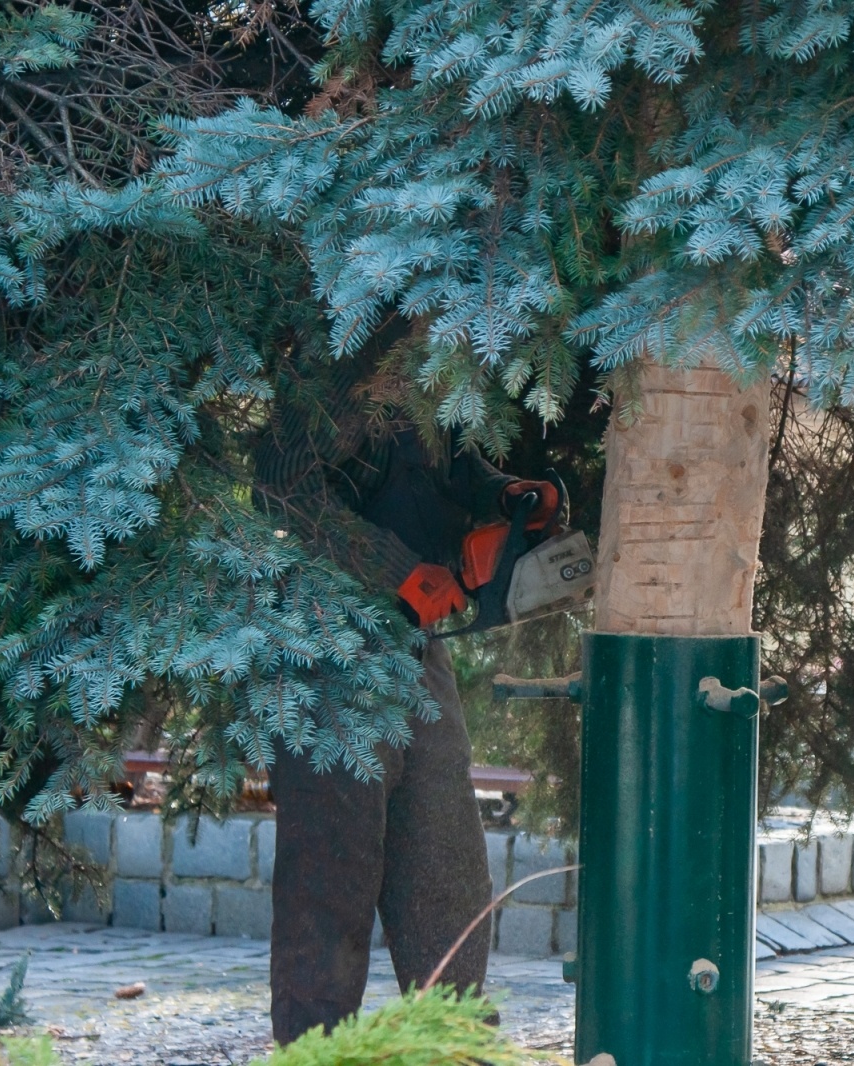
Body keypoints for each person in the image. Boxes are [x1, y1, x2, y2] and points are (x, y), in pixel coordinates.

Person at [253, 332, 557, 1044]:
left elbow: (449, 464)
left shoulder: (434, 354)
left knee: (445, 858)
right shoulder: (339, 355)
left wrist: (502, 495)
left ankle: (452, 1043)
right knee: (333, 869)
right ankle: (314, 1054)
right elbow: (283, 485)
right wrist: (392, 567)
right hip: (324, 637)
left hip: (413, 648)